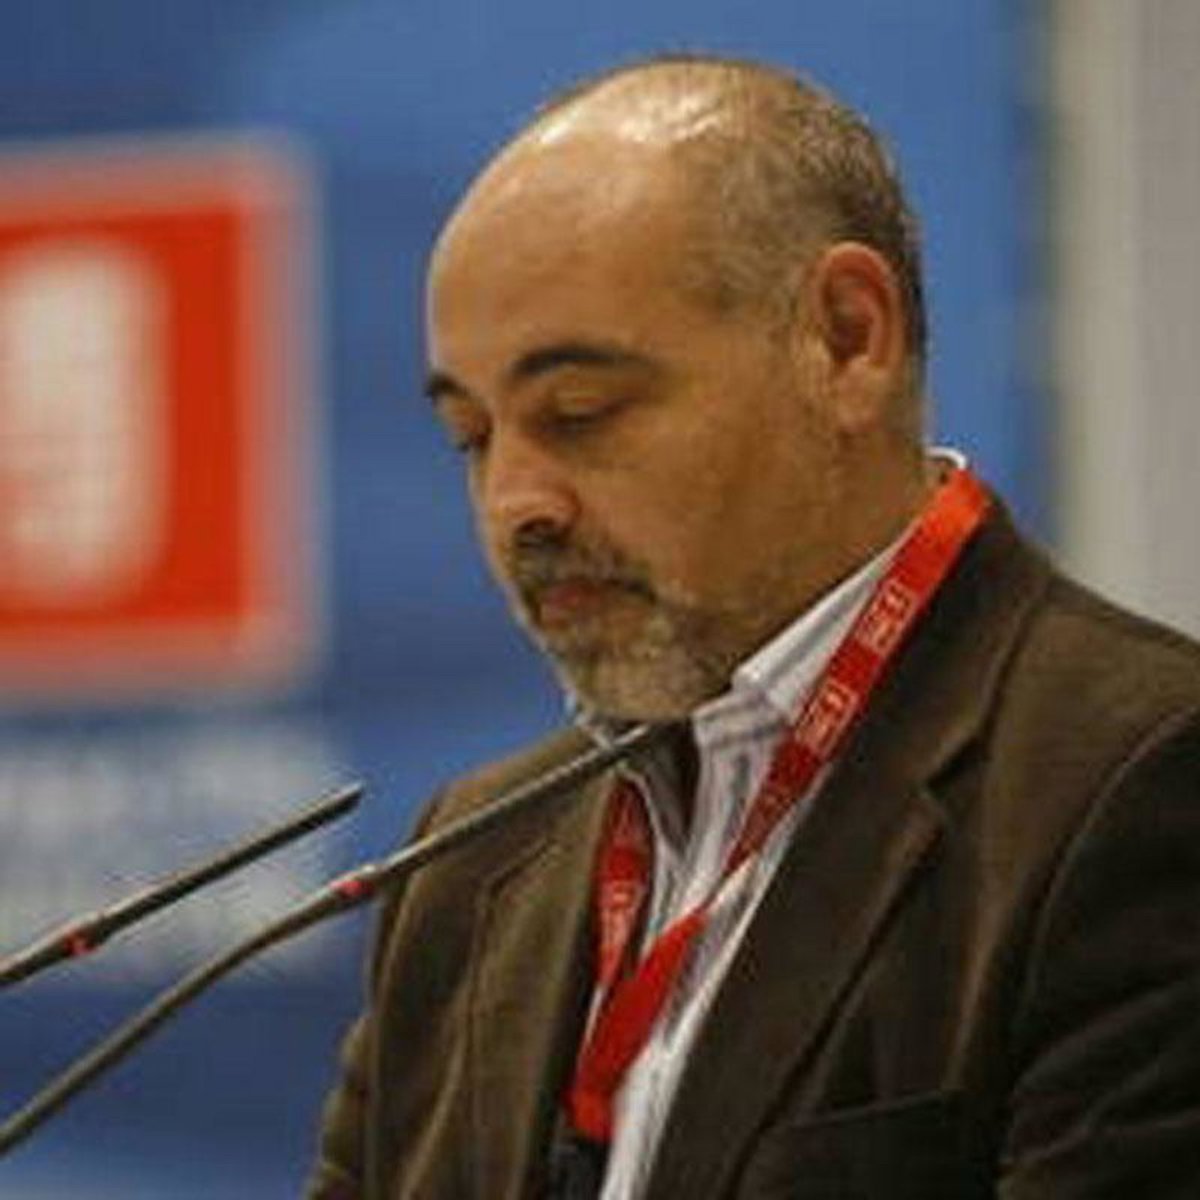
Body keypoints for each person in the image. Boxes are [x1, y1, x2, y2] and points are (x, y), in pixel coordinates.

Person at [308, 55, 1200, 1199]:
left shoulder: (1139, 782)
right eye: (472, 438)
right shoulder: (470, 863)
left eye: (581, 411)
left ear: (846, 338)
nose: (515, 503)